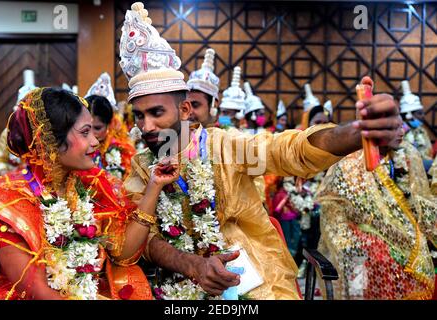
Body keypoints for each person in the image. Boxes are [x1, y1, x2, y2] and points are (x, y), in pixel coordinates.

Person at [120, 2, 401, 300]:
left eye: (156, 113)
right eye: (139, 116)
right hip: (178, 282)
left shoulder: (226, 145)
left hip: (256, 277)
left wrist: (356, 132)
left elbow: (289, 150)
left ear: (186, 110)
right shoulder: (141, 167)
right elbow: (145, 241)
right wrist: (192, 265)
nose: (147, 126)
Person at [0, 87, 179, 300]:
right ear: (51, 140)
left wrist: (154, 186)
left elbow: (123, 253)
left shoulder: (90, 185)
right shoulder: (10, 200)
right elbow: (35, 291)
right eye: (85, 132)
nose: (95, 141)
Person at [316, 119, 436, 299]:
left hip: (404, 236)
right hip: (361, 240)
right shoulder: (350, 162)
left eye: (401, 126)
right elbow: (334, 207)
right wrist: (348, 243)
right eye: (394, 128)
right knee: (374, 256)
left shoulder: (407, 155)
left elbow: (420, 200)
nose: (402, 132)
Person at [85, 73, 136, 180]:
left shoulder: (121, 151)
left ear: (109, 124)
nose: (92, 134)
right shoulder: (75, 149)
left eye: (97, 128)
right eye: (86, 129)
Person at [0, 70, 37, 178]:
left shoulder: (45, 133)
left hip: (41, 185)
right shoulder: (8, 133)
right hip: (14, 181)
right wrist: (4, 173)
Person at [399, 80, 433, 171]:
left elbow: (428, 153)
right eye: (419, 113)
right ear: (409, 114)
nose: (423, 116)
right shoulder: (400, 132)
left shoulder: (421, 130)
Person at [186, 48, 220, 128]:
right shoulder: (177, 136)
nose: (188, 112)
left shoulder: (224, 139)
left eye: (195, 105)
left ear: (213, 105)